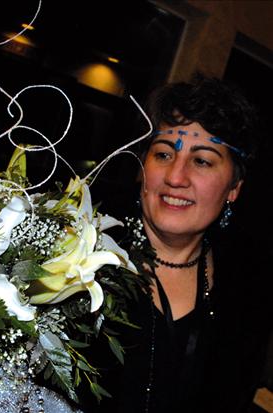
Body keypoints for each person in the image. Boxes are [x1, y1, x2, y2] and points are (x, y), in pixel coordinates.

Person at [92, 76, 272, 413]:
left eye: (202, 160)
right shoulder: (78, 255)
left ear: (234, 187)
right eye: (162, 154)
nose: (176, 177)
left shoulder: (249, 292)